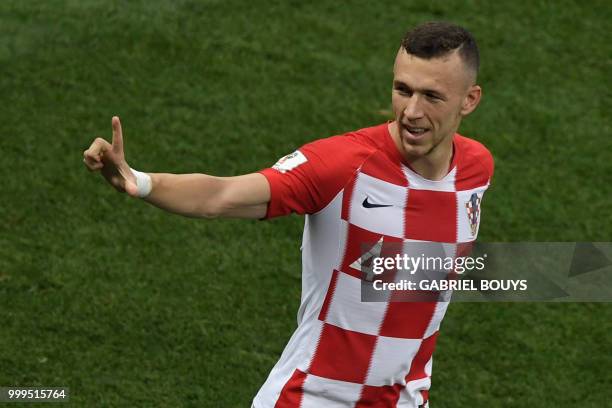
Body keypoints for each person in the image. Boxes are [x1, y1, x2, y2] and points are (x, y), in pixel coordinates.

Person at [83, 21, 493, 408]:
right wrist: (142, 182)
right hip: (311, 398)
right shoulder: (341, 165)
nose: (411, 111)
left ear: (469, 100)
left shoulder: (476, 169)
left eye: (431, 96)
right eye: (402, 90)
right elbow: (221, 195)